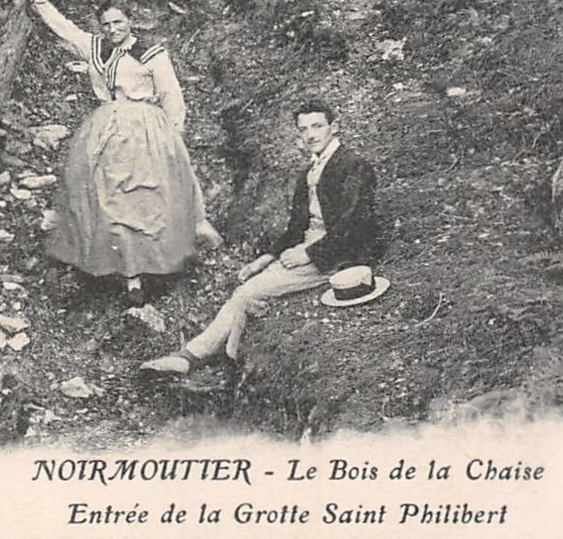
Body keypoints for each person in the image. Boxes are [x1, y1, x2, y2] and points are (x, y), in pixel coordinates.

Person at [140, 100, 382, 375]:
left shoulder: (354, 166)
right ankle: (213, 356)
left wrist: (309, 253)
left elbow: (355, 224)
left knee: (247, 293)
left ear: (334, 127)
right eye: (303, 130)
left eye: (317, 126)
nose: (311, 135)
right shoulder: (309, 172)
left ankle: (198, 358)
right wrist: (265, 258)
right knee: (249, 287)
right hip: (311, 247)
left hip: (339, 256)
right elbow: (296, 226)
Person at [25, 0, 220, 305]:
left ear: (131, 21)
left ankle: (155, 263)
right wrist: (36, 0)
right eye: (106, 24)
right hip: (105, 127)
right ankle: (127, 273)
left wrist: (173, 138)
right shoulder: (95, 48)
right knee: (103, 194)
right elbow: (63, 28)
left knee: (144, 195)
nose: (112, 29)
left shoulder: (151, 54)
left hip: (146, 129)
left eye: (118, 22)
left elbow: (172, 96)